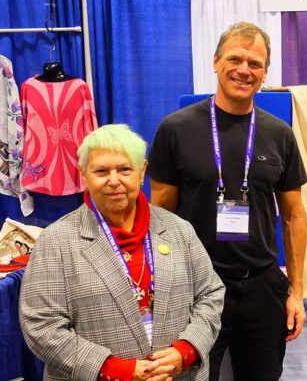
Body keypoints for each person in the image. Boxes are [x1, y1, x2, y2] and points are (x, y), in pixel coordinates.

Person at [147, 21, 307, 381]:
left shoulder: (279, 135)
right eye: (235, 59)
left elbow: (295, 216)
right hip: (198, 287)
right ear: (216, 61)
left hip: (263, 287)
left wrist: (296, 292)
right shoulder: (175, 129)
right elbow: (159, 217)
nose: (244, 70)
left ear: (265, 73)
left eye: (255, 64)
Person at [19, 124, 225, 381]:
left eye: (125, 169)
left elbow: (211, 294)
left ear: (142, 172)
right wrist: (114, 370)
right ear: (84, 174)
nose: (114, 181)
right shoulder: (56, 241)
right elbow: (41, 324)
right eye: (101, 171)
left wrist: (187, 350)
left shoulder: (178, 230)